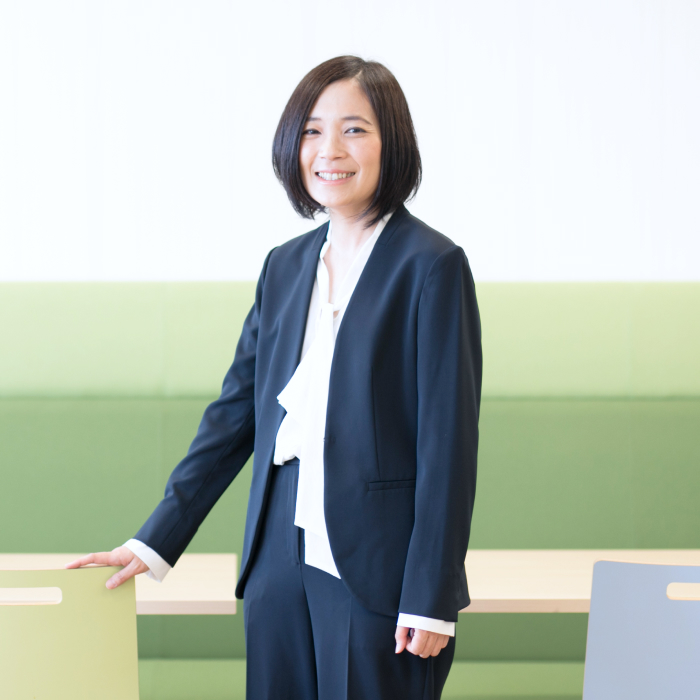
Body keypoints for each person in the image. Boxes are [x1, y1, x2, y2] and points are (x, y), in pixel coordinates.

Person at [66, 55, 482, 699]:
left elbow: (447, 443)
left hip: (380, 571)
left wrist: (430, 595)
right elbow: (234, 417)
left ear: (392, 142)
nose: (329, 150)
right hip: (276, 562)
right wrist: (153, 541)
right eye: (312, 131)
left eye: (354, 129)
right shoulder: (283, 267)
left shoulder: (430, 265)